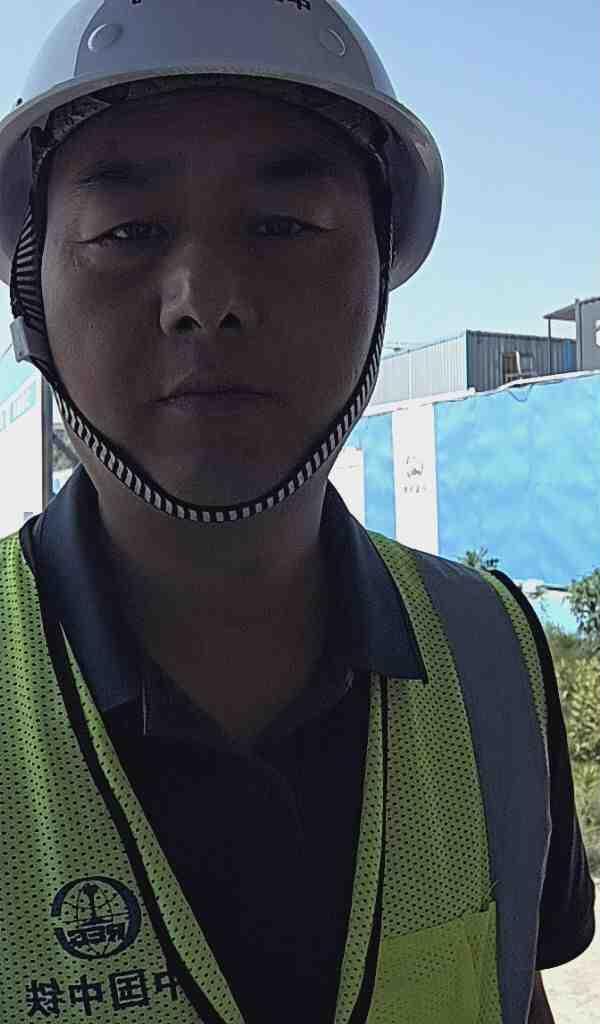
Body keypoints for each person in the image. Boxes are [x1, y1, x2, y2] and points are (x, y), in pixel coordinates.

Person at [0, 1, 594, 1022]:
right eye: (127, 232)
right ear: (31, 292)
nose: (206, 298)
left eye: (285, 226)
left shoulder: (491, 656)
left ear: (383, 276)